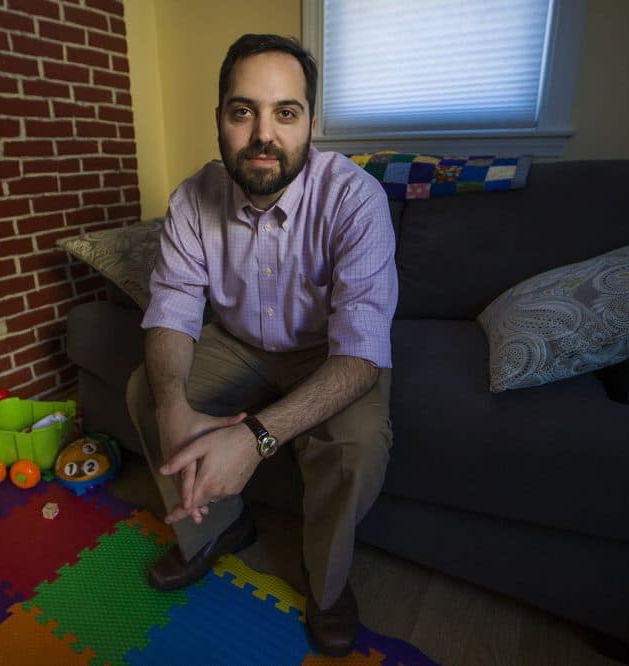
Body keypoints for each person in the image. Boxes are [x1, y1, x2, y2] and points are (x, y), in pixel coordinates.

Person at [125, 33, 397, 656]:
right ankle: (217, 530)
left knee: (355, 443)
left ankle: (328, 585)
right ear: (219, 118)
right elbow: (172, 310)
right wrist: (172, 408)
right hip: (240, 342)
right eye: (243, 111)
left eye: (286, 112)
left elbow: (361, 352)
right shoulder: (193, 198)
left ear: (311, 124)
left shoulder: (357, 200)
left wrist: (255, 440)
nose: (262, 135)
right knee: (150, 387)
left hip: (329, 355)